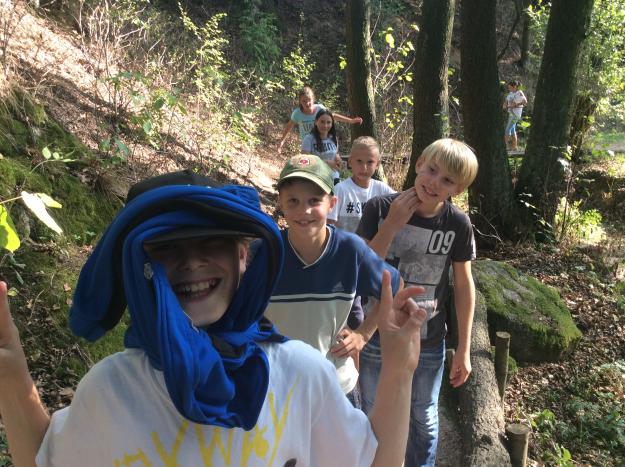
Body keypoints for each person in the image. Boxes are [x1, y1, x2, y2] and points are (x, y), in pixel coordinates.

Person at [0, 170, 428, 467]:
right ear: (138, 267)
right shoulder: (113, 387)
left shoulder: (299, 374)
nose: (192, 262)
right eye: (167, 248)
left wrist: (399, 372)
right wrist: (11, 375)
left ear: (243, 256)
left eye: (211, 242)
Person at [356, 139, 479, 467]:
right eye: (432, 170)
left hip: (428, 339)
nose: (434, 182)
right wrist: (392, 224)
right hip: (376, 335)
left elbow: (464, 286)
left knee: (423, 416)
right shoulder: (379, 208)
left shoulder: (457, 224)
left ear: (458, 189)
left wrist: (464, 348)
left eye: (447, 180)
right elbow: (362, 269)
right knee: (373, 408)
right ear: (419, 163)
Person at [264, 155, 404, 407]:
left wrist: (363, 334)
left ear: (332, 203)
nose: (304, 210)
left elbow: (394, 286)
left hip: (336, 385)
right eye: (293, 201)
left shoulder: (350, 250)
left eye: (314, 200)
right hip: (278, 386)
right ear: (280, 203)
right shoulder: (266, 254)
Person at [327, 136, 396, 331]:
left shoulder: (383, 191)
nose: (364, 167)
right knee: (353, 310)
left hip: (375, 260)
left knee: (375, 303)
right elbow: (329, 226)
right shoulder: (341, 190)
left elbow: (400, 211)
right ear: (350, 162)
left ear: (378, 164)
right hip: (347, 261)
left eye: (370, 162)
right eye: (359, 161)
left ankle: (371, 336)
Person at [277, 86, 362, 153]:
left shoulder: (319, 109)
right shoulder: (297, 113)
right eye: (304, 101)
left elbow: (333, 116)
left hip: (321, 142)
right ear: (300, 102)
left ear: (313, 99)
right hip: (307, 145)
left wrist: (351, 121)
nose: (307, 103)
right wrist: (282, 140)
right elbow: (289, 126)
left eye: (309, 100)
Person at [301, 109, 343, 184]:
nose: (325, 125)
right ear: (316, 122)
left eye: (328, 122)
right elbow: (305, 161)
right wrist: (326, 163)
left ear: (332, 124)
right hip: (316, 179)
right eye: (322, 122)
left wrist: (338, 158)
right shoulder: (309, 139)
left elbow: (336, 154)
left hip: (334, 177)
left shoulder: (333, 138)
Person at [503, 80, 528, 151]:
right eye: (508, 87)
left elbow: (525, 102)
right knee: (512, 131)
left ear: (514, 87)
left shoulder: (519, 93)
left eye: (510, 87)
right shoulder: (511, 93)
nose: (509, 89)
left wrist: (516, 105)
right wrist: (504, 105)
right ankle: (514, 147)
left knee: (507, 129)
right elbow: (506, 100)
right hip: (511, 114)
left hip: (516, 115)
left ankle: (504, 146)